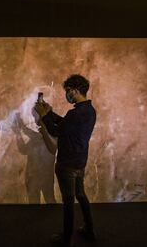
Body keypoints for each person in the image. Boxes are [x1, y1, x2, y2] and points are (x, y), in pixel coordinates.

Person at [35, 74, 97, 246]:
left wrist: (43, 115)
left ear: (75, 90)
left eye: (68, 91)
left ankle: (66, 238)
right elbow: (65, 124)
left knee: (68, 201)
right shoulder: (89, 111)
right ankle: (89, 229)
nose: (67, 94)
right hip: (80, 162)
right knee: (81, 195)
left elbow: (56, 131)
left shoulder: (75, 113)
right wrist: (49, 113)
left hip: (67, 164)